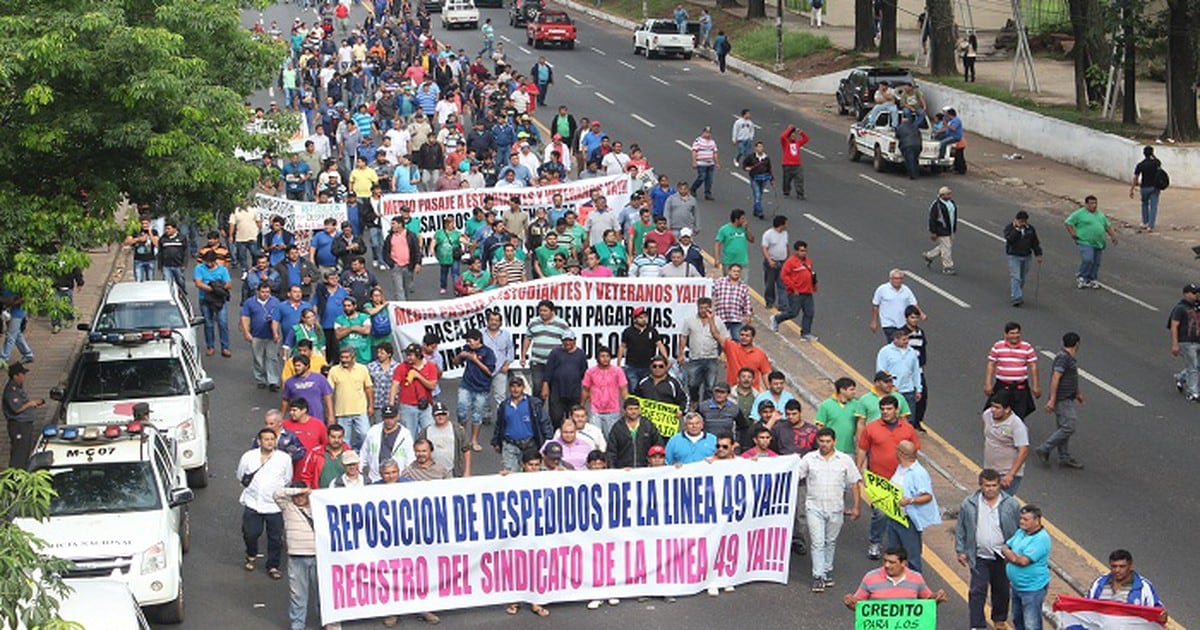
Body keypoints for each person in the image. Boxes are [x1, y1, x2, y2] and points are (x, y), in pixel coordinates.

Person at [798, 427, 862, 593]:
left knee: (830, 541)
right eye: (821, 441)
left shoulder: (845, 460)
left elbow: (855, 483)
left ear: (834, 441)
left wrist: (856, 506)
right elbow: (794, 475)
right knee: (818, 542)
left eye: (828, 441)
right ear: (817, 441)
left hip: (836, 509)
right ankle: (818, 576)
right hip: (814, 507)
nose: (824, 444)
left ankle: (826, 571)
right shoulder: (809, 459)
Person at [955, 468, 1020, 630]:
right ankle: (977, 624)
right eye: (987, 485)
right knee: (977, 591)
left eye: (994, 485)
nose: (990, 489)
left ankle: (999, 618)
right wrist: (960, 550)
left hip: (1002, 556)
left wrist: (1015, 551)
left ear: (999, 485)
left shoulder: (1011, 504)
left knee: (1002, 590)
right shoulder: (969, 504)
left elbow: (1020, 529)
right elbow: (961, 527)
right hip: (979, 555)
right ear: (980, 486)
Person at [857, 395, 920, 560]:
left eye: (889, 409)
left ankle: (898, 548)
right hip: (880, 481)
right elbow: (863, 449)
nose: (885, 412)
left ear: (896, 410)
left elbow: (915, 452)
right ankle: (875, 542)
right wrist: (859, 469)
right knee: (881, 513)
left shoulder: (908, 429)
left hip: (902, 480)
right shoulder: (871, 428)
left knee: (901, 514)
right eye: (883, 409)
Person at [273, 482, 337, 630]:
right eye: (296, 495)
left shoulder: (318, 506)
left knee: (323, 592)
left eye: (302, 495)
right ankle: (297, 625)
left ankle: (327, 621)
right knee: (298, 595)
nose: (299, 498)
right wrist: (301, 490)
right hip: (296, 558)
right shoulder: (288, 507)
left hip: (319, 557)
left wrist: (312, 494)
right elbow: (277, 493)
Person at [238, 427, 294, 580]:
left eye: (272, 439)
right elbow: (241, 475)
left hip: (274, 505)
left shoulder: (284, 459)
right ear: (259, 441)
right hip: (253, 503)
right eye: (266, 439)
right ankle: (251, 553)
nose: (269, 442)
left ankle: (273, 565)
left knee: (275, 538)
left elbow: (288, 478)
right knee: (250, 533)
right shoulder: (248, 457)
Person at [888, 440, 940, 573]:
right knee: (894, 555)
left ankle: (915, 587)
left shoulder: (918, 473)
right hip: (895, 517)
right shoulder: (901, 468)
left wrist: (910, 501)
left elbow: (927, 496)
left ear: (901, 453)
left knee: (912, 556)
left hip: (908, 520)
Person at [1035, 332, 1085, 469]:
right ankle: (1044, 448)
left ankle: (1064, 457)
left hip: (1067, 397)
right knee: (1069, 426)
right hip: (1062, 398)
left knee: (1063, 427)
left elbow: (1071, 378)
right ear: (1077, 344)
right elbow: (1056, 378)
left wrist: (1077, 393)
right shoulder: (1063, 358)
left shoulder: (1068, 358)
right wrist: (1052, 399)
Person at [1000, 505, 1052, 630]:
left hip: (1032, 588)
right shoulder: (1021, 532)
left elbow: (1023, 561)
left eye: (1026, 519)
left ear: (1037, 520)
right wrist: (1011, 554)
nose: (1022, 522)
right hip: (1017, 586)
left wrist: (1010, 555)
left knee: (1031, 624)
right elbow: (1006, 547)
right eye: (1021, 518)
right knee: (1018, 620)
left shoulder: (1041, 539)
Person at [843, 547, 948, 606]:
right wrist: (850, 601)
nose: (887, 565)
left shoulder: (916, 578)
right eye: (885, 561)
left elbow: (928, 602)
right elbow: (858, 605)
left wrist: (937, 597)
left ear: (903, 563)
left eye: (892, 562)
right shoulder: (870, 577)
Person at [492, 377, 551, 473]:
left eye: (518, 386)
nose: (515, 389)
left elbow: (544, 421)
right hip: (510, 445)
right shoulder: (504, 405)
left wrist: (548, 439)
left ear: (523, 388)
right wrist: (496, 441)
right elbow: (499, 424)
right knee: (510, 474)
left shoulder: (533, 404)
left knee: (533, 472)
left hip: (530, 444)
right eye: (513, 386)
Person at [984, 321, 1041, 420]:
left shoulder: (1027, 347)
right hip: (1002, 386)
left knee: (1019, 415)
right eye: (1012, 333)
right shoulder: (998, 346)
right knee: (994, 411)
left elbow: (1033, 366)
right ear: (1006, 334)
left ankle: (1015, 432)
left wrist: (1036, 386)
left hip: (1020, 388)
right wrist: (988, 384)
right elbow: (991, 364)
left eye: (1017, 333)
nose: (1015, 336)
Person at [1086, 549, 1166, 613]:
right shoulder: (1099, 584)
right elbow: (1087, 607)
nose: (1117, 570)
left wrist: (1162, 616)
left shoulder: (1144, 587)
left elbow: (1157, 612)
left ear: (1130, 565)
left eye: (1122, 566)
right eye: (1114, 566)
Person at [1064, 195, 1117, 290]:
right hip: (1084, 241)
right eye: (1092, 203)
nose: (1094, 205)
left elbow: (1107, 226)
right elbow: (1068, 223)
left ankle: (1092, 278)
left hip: (1098, 242)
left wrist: (1113, 236)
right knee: (1088, 259)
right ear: (1086, 204)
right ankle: (1082, 277)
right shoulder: (1079, 214)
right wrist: (1072, 234)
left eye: (1095, 203)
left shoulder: (1100, 214)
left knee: (1096, 262)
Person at [520, 300, 572, 397]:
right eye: (540, 311)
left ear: (552, 311)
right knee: (537, 387)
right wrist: (523, 355)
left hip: (556, 362)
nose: (542, 313)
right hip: (537, 362)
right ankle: (537, 410)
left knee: (555, 388)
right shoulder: (533, 322)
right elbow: (528, 338)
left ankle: (553, 411)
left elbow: (568, 341)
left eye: (545, 310)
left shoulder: (562, 323)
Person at [678, 297, 723, 405]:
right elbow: (683, 337)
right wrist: (680, 354)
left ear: (710, 308)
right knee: (692, 384)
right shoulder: (689, 321)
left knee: (710, 385)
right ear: (697, 308)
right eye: (701, 308)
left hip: (711, 358)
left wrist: (724, 354)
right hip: (695, 358)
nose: (703, 310)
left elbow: (724, 338)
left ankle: (705, 405)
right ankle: (694, 401)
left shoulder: (718, 321)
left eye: (706, 308)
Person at [327, 348, 374, 451]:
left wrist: (371, 405)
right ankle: (347, 459)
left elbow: (369, 388)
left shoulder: (362, 369)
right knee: (344, 441)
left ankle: (357, 451)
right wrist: (330, 413)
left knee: (365, 434)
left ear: (353, 358)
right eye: (342, 357)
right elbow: (328, 393)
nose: (344, 360)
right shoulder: (334, 370)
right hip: (342, 411)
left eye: (347, 357)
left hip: (360, 410)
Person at [541, 331, 589, 430]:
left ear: (574, 341)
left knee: (574, 418)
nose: (567, 343)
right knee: (556, 417)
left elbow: (585, 374)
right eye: (565, 340)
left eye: (570, 340)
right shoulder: (555, 353)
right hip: (557, 391)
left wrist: (586, 391)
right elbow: (548, 371)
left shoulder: (580, 354)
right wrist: (545, 386)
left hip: (574, 392)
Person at [771, 240, 817, 340]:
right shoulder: (790, 262)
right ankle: (776, 319)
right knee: (793, 312)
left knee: (809, 312)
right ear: (796, 251)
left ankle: (806, 333)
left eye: (805, 251)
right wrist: (793, 288)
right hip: (796, 293)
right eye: (801, 251)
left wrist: (813, 286)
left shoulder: (808, 261)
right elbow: (784, 276)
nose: (804, 253)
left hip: (808, 292)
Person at [241, 283, 283, 391]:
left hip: (271, 335)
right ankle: (261, 379)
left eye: (267, 292)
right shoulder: (250, 303)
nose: (265, 294)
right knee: (258, 358)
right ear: (258, 292)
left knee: (272, 358)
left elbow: (279, 318)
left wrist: (277, 333)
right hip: (256, 335)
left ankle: (273, 381)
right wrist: (246, 332)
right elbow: (245, 317)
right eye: (263, 292)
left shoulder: (275, 302)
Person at [4, 363, 45, 469]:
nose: (24, 377)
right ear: (15, 376)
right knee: (19, 453)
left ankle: (23, 472)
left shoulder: (18, 388)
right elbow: (16, 408)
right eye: (22, 374)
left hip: (25, 424)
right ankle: (16, 477)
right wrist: (30, 404)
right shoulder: (11, 390)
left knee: (25, 450)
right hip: (18, 426)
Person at [359, 405, 415, 483]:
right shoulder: (373, 431)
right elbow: (364, 453)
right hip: (375, 478)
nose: (389, 420)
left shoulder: (405, 435)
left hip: (397, 479)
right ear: (382, 417)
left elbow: (410, 459)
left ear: (398, 417)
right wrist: (360, 469)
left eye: (392, 418)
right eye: (386, 418)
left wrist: (405, 478)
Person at [580, 346, 628, 437]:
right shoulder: (590, 372)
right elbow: (585, 390)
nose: (605, 359)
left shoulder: (618, 371)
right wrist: (581, 406)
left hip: (613, 410)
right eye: (602, 356)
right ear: (597, 358)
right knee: (594, 437)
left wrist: (627, 405)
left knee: (611, 438)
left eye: (607, 356)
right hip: (595, 411)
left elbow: (623, 389)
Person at [618, 306, 669, 388]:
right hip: (632, 367)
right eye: (641, 317)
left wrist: (666, 360)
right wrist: (618, 364)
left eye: (645, 317)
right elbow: (622, 347)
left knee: (646, 389)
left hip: (648, 366)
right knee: (633, 389)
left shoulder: (652, 331)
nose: (644, 319)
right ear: (635, 319)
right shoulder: (628, 331)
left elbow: (660, 345)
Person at [876, 327, 922, 418]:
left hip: (908, 390)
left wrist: (918, 389)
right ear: (895, 339)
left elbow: (916, 372)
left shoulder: (912, 352)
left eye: (907, 339)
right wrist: (890, 387)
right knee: (893, 417)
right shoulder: (885, 351)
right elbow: (881, 372)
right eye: (904, 339)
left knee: (909, 418)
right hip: (892, 391)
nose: (906, 341)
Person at [194, 250, 233, 357]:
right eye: (207, 262)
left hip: (219, 300)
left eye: (211, 262)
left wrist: (218, 287)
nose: (209, 264)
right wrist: (213, 289)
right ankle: (210, 346)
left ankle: (225, 347)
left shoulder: (222, 269)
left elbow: (229, 284)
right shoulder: (199, 268)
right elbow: (198, 283)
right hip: (205, 299)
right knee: (208, 323)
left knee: (222, 323)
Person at [606, 397, 663, 469]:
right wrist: (613, 469)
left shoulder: (648, 425)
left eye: (636, 409)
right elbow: (611, 452)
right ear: (624, 410)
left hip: (645, 469)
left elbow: (658, 445)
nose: (633, 412)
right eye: (630, 409)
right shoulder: (617, 428)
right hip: (624, 471)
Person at [869, 269, 924, 341]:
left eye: (900, 278)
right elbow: (875, 306)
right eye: (895, 278)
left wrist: (921, 314)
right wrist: (874, 321)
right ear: (890, 279)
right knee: (895, 342)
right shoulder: (882, 289)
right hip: (888, 323)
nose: (898, 281)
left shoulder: (906, 289)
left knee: (904, 343)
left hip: (903, 323)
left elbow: (913, 303)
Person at [814, 377, 865, 455]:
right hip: (830, 451)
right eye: (851, 389)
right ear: (842, 390)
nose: (854, 392)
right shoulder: (826, 405)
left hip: (849, 450)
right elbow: (819, 427)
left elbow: (860, 425)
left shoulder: (857, 404)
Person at [1003, 211, 1043, 307]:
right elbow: (1010, 239)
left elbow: (1035, 243)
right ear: (1016, 220)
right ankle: (1016, 297)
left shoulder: (1030, 229)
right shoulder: (1009, 228)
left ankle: (1017, 292)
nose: (1023, 223)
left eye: (1024, 221)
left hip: (1026, 256)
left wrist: (1038, 254)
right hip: (1014, 256)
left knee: (1022, 278)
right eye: (1021, 221)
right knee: (1015, 277)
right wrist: (1017, 229)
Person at [1169, 284, 1200, 402]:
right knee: (1193, 367)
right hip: (1186, 342)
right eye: (1193, 293)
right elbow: (1174, 326)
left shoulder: (1197, 307)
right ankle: (1194, 393)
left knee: (1197, 367)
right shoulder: (1180, 308)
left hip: (1198, 341)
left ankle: (1181, 377)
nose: (1196, 295)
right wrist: (1175, 344)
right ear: (1186, 294)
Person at [923, 186, 958, 275]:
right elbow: (932, 219)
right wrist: (933, 232)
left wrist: (953, 229)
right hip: (942, 230)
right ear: (942, 195)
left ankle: (929, 256)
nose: (950, 195)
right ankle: (947, 267)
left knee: (946, 246)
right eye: (948, 194)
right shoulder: (936, 205)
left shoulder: (951, 203)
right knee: (947, 248)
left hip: (950, 229)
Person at [713, 264, 753, 337]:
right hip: (721, 317)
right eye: (734, 271)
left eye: (738, 271)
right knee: (719, 339)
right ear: (729, 272)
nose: (736, 273)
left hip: (736, 318)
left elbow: (747, 302)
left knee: (737, 339)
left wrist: (748, 315)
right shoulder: (720, 282)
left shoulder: (743, 286)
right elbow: (710, 289)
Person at [1131, 146, 1164, 232]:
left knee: (1144, 204)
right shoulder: (1156, 162)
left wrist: (1132, 189)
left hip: (1144, 187)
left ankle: (1145, 222)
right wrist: (1153, 155)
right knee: (1153, 207)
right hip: (1154, 187)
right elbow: (1159, 166)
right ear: (1152, 153)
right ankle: (1150, 225)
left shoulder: (1140, 165)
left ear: (1143, 153)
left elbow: (1136, 178)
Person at [760, 216, 789, 310]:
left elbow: (786, 245)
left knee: (783, 284)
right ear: (781, 224)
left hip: (783, 261)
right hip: (772, 262)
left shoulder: (785, 233)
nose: (787, 225)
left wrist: (788, 258)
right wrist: (769, 260)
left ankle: (783, 304)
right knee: (770, 284)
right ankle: (769, 301)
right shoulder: (768, 234)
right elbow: (764, 248)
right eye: (785, 223)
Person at [742, 141, 773, 219]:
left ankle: (756, 210)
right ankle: (760, 212)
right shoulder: (751, 157)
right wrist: (746, 168)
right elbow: (744, 165)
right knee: (757, 194)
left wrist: (771, 179)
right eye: (758, 147)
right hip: (755, 178)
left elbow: (769, 169)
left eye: (761, 147)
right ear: (755, 148)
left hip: (764, 178)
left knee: (760, 194)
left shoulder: (766, 158)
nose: (760, 148)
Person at [779, 125, 810, 199]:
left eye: (794, 136)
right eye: (792, 136)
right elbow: (782, 137)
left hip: (797, 165)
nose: (794, 137)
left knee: (799, 179)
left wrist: (801, 132)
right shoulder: (786, 143)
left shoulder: (797, 143)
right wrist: (790, 129)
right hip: (787, 164)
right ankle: (786, 192)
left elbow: (806, 139)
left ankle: (800, 194)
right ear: (789, 136)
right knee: (787, 179)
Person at [690, 126, 719, 201]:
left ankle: (707, 193)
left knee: (709, 179)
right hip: (701, 163)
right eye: (706, 132)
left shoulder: (712, 142)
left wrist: (717, 163)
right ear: (703, 133)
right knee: (701, 177)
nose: (708, 134)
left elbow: (715, 153)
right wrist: (694, 161)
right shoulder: (698, 141)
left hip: (710, 163)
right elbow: (694, 151)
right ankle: (693, 189)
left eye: (709, 133)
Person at [896, 112, 922, 180]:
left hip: (907, 145)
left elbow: (897, 135)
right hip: (918, 145)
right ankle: (916, 173)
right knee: (915, 159)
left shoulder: (900, 127)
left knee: (909, 160)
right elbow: (919, 134)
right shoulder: (914, 127)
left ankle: (912, 175)